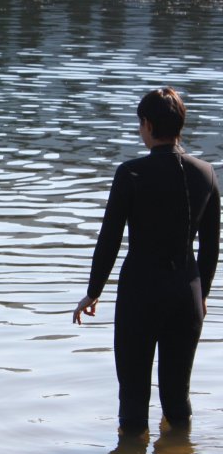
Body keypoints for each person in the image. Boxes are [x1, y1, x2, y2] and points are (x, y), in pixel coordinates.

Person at [73, 87, 220, 435]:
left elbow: (108, 239)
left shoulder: (131, 173)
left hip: (141, 294)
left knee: (134, 400)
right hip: (186, 295)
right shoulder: (206, 174)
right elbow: (211, 248)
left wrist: (93, 292)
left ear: (148, 125)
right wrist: (202, 295)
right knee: (177, 398)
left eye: (140, 124)